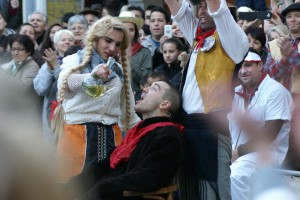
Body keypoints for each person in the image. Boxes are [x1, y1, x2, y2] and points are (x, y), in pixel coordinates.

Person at [164, 0, 249, 199]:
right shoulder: (197, 36)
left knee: (216, 193)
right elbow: (174, 5)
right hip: (188, 127)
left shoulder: (235, 40)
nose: (201, 11)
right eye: (198, 6)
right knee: (190, 191)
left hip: (212, 130)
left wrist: (215, 7)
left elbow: (217, 9)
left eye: (205, 5)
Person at [52, 16, 140, 183]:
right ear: (95, 38)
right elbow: (65, 84)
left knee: (107, 192)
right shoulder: (74, 60)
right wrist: (91, 76)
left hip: (111, 138)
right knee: (73, 191)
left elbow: (129, 112)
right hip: (77, 135)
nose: (112, 48)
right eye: (108, 40)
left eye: (118, 44)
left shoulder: (119, 71)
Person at [68, 81, 184, 200]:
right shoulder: (141, 132)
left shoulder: (168, 136)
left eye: (154, 88)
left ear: (165, 104)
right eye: (147, 85)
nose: (145, 89)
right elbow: (105, 165)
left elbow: (149, 177)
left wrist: (103, 188)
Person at [229, 49, 293, 200]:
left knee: (235, 177)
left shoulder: (275, 91)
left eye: (248, 66)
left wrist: (239, 151)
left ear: (260, 66)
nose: (243, 71)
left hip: (266, 154)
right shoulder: (235, 91)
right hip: (236, 154)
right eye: (240, 67)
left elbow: (270, 133)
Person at [263, 3, 300, 170]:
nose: (293, 19)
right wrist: (286, 60)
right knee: (277, 149)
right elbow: (268, 73)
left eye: (297, 16)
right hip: (279, 103)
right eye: (290, 16)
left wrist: (291, 54)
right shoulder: (276, 43)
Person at [34, 29, 75, 144]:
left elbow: (68, 85)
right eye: (63, 40)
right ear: (55, 45)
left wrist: (56, 67)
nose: (67, 42)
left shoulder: (79, 62)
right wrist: (49, 68)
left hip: (72, 113)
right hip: (50, 113)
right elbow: (41, 90)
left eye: (70, 40)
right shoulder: (46, 64)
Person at [0, 34, 41, 114]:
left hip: (23, 113)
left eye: (20, 50)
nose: (15, 53)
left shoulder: (32, 66)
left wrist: (2, 75)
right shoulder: (10, 65)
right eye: (13, 49)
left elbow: (22, 88)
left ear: (28, 51)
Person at [118, 10, 152, 101]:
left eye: (131, 30)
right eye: (124, 29)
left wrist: (129, 61)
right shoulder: (111, 50)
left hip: (136, 98)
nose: (128, 33)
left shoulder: (145, 52)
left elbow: (145, 80)